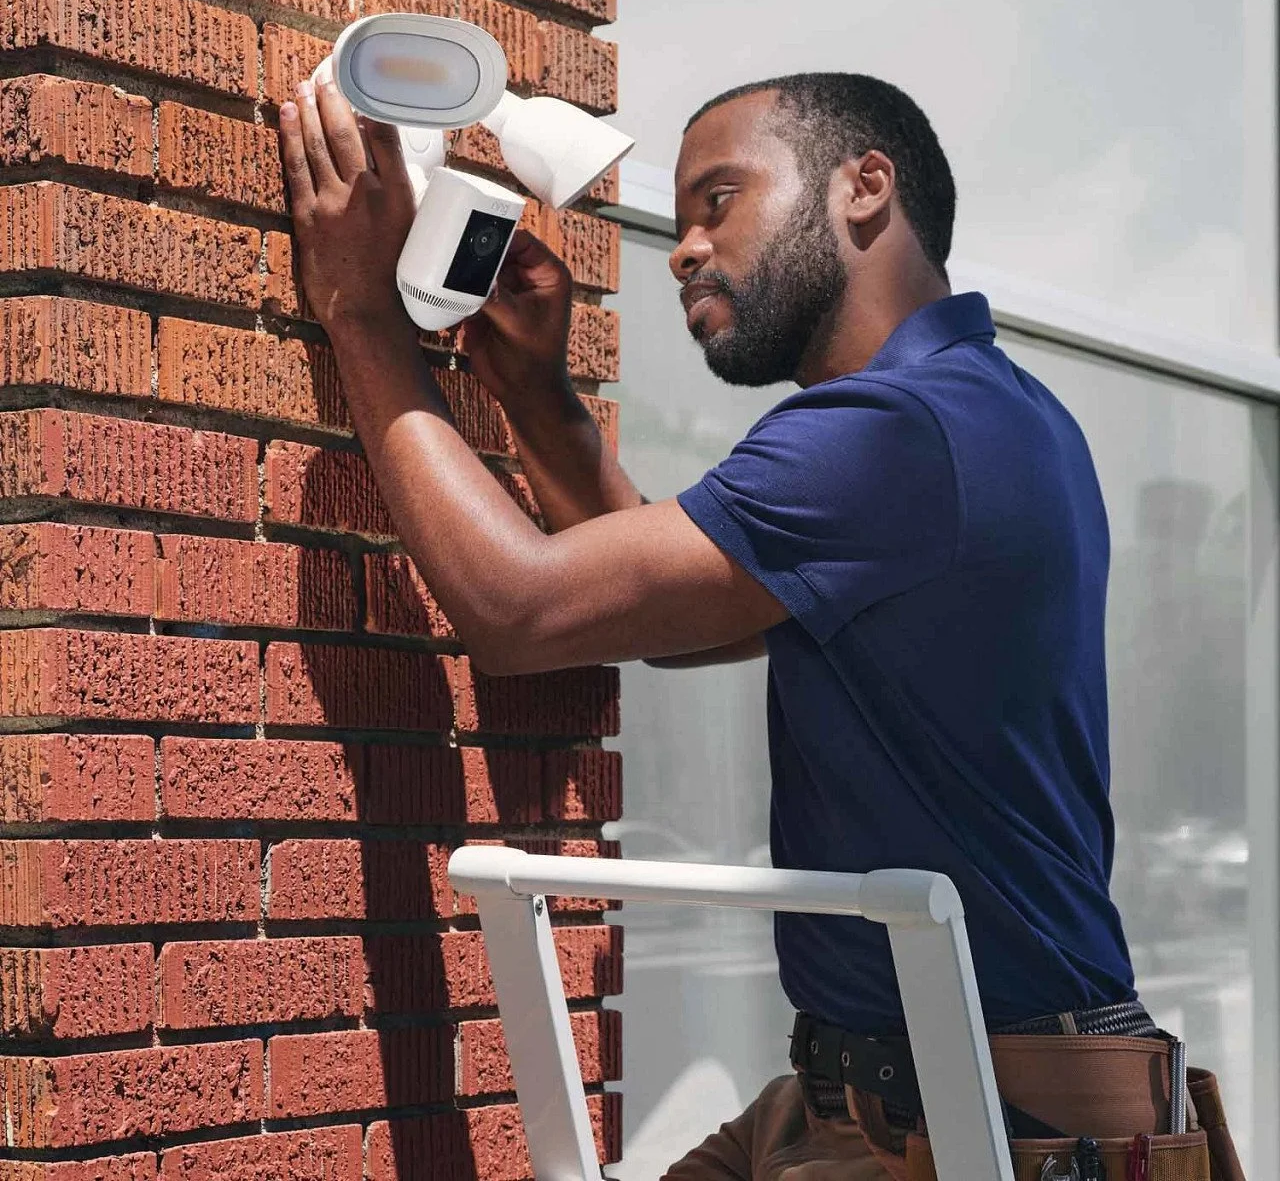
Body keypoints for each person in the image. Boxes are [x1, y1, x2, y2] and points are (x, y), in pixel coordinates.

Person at [278, 70, 1240, 1179]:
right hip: (874, 1094)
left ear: (862, 187)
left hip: (986, 1114)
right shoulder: (986, 411)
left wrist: (356, 307)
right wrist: (536, 395)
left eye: (717, 200)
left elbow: (520, 611)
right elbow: (666, 621)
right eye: (681, 216)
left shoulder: (896, 433)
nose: (683, 246)